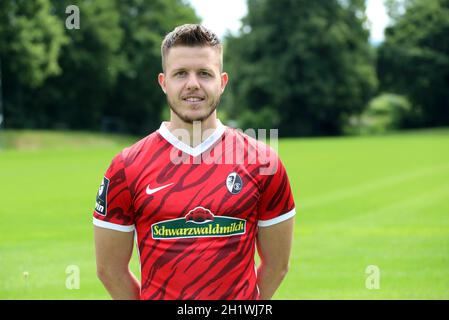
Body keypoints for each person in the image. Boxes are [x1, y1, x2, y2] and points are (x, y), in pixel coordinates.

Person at [93, 24, 296, 300]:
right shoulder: (126, 167)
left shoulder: (263, 163)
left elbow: (277, 265)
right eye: (180, 74)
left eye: (204, 73)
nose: (192, 84)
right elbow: (109, 270)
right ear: (164, 82)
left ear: (222, 82)